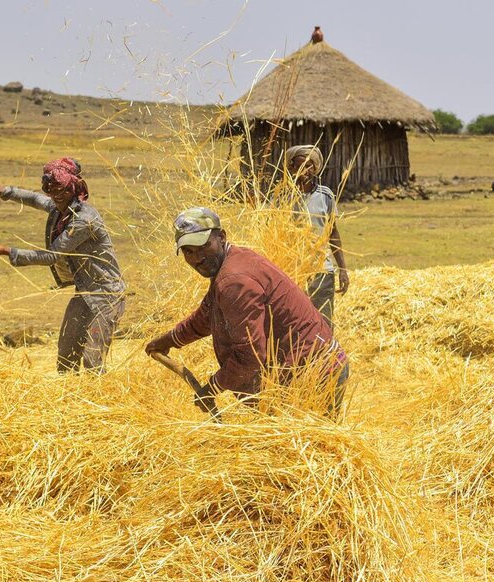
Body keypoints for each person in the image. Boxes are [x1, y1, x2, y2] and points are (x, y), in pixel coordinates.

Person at [145, 207, 349, 417]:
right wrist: (169, 341)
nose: (198, 258)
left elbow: (250, 356)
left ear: (221, 237)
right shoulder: (232, 261)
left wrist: (212, 388)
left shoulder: (234, 280)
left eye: (204, 246)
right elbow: (207, 316)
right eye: (188, 251)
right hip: (309, 371)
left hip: (315, 377)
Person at [0, 158, 126, 373]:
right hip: (84, 293)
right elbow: (35, 199)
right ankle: (70, 400)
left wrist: (6, 251)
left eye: (62, 190)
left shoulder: (83, 220)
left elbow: (51, 256)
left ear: (73, 188)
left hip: (107, 296)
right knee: (66, 354)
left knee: (92, 358)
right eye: (51, 190)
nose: (56, 196)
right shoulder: (60, 208)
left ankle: (100, 400)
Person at [285, 145, 348, 328]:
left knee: (323, 323)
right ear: (292, 167)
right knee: (294, 324)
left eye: (310, 165)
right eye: (300, 165)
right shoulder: (282, 197)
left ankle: (324, 356)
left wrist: (342, 269)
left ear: (316, 167)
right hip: (292, 271)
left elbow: (333, 232)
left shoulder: (325, 195)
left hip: (322, 270)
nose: (305, 170)